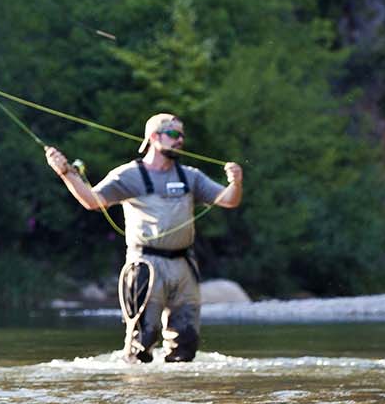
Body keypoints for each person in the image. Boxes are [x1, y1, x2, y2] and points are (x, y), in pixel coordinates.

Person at [44, 113, 241, 363]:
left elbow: (228, 200)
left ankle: (183, 398)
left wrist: (236, 182)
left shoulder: (190, 176)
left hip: (184, 266)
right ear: (153, 137)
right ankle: (138, 394)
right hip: (145, 264)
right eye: (172, 134)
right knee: (141, 342)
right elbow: (92, 201)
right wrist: (65, 173)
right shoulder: (129, 175)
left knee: (186, 345)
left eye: (181, 135)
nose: (179, 140)